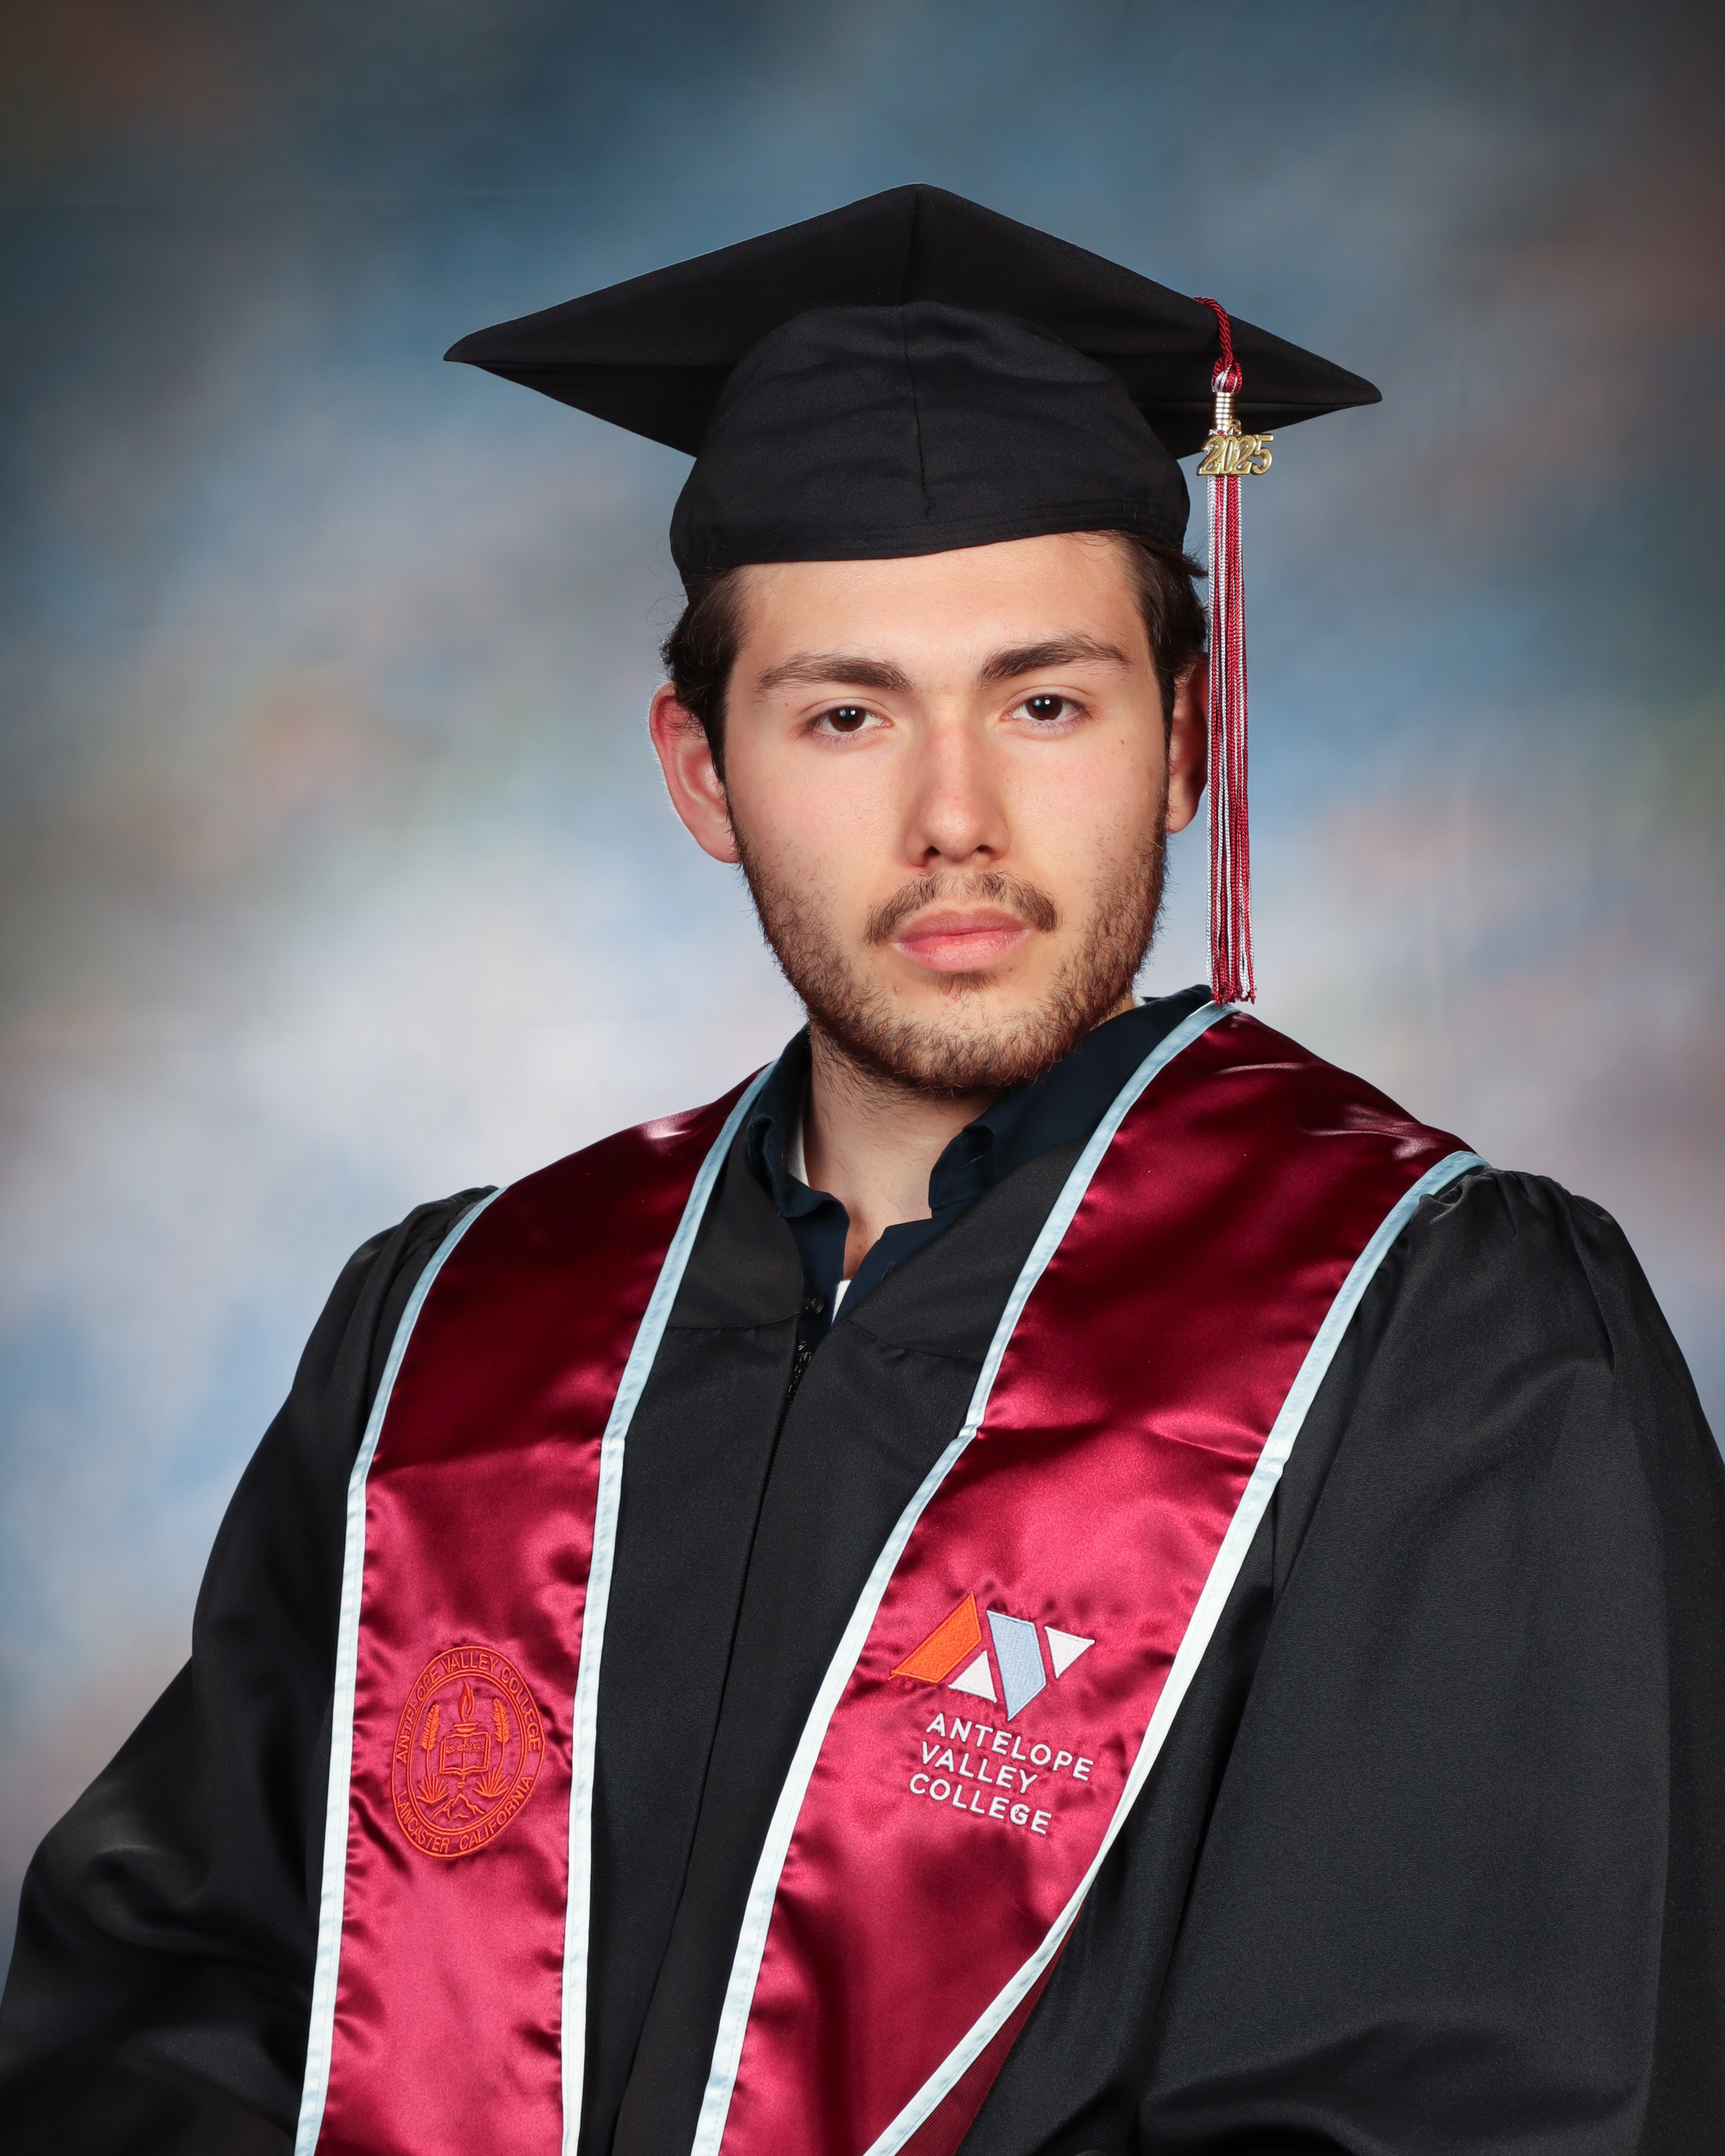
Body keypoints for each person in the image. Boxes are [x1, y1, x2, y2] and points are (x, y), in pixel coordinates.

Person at [2, 185, 1720, 2156]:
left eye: (1045, 700)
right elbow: (161, 2014)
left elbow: (1469, 2103)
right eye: (844, 713)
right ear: (702, 773)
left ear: (1184, 739)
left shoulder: (1440, 1336)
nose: (953, 817)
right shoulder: (452, 1335)